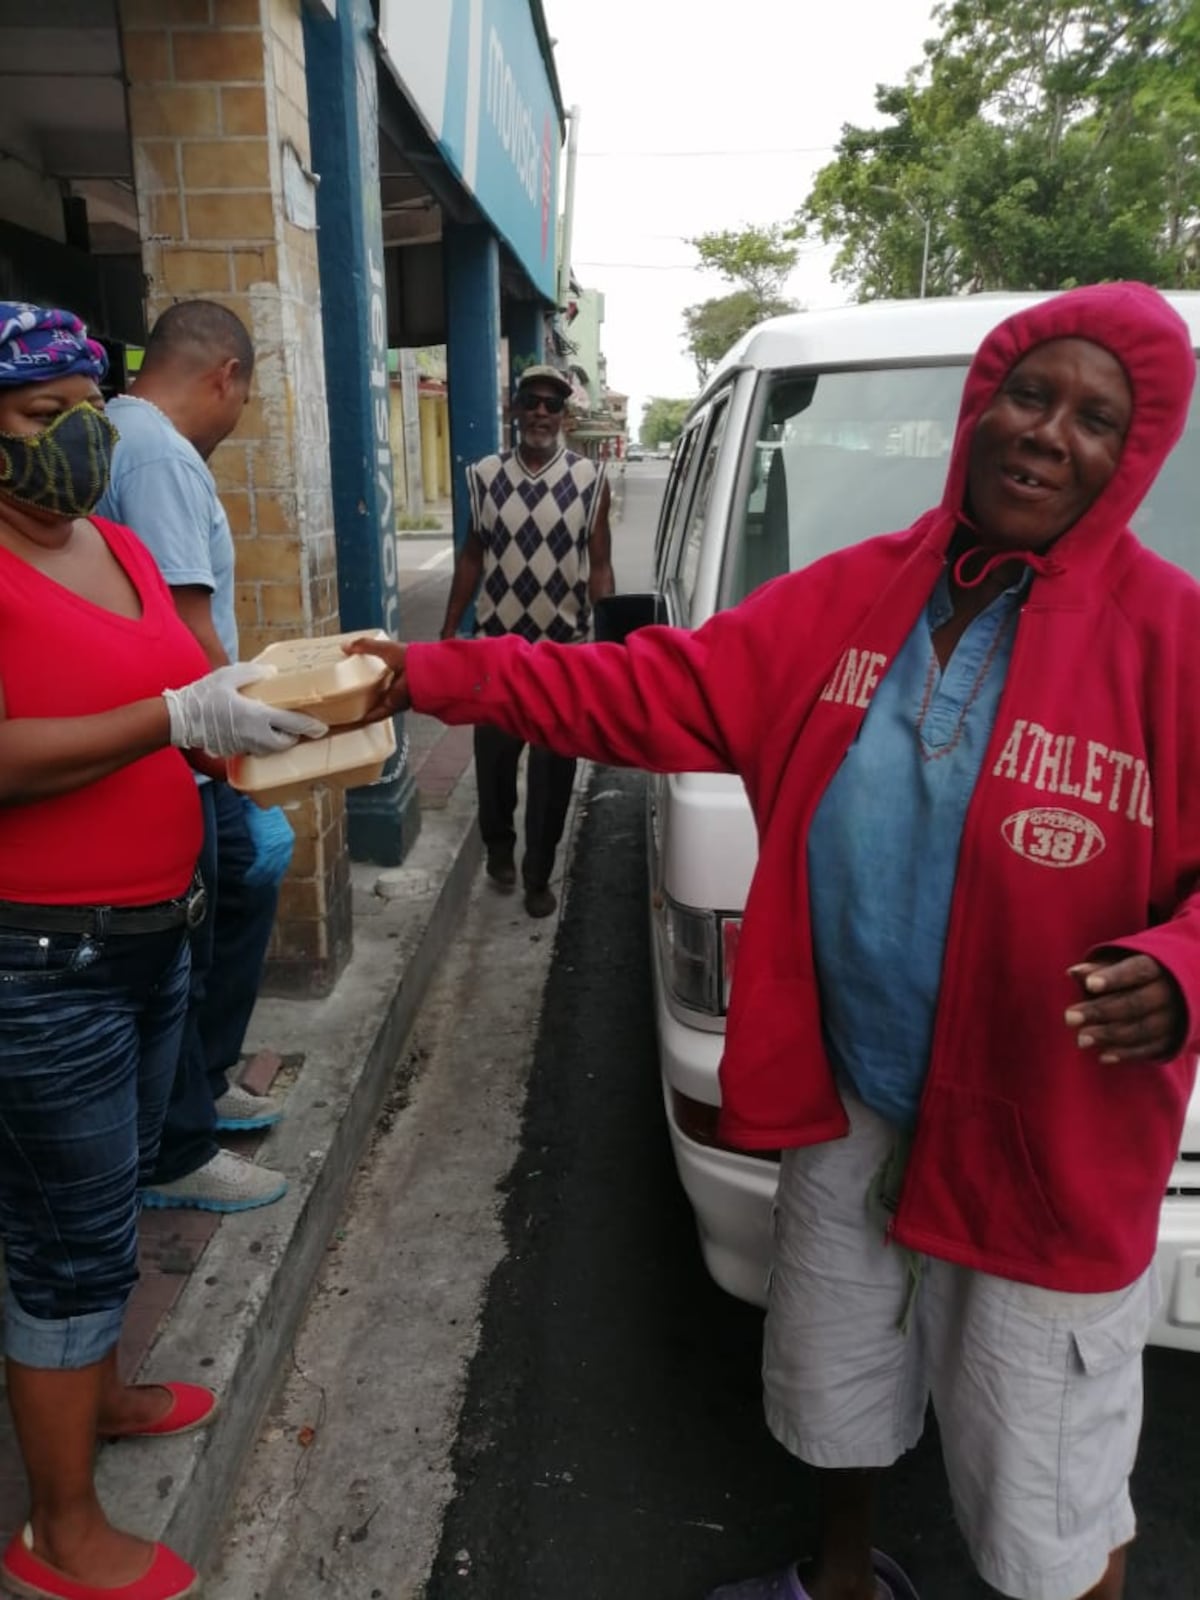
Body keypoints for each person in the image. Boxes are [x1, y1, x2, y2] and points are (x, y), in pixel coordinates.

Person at [347, 282, 1200, 1600]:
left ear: (1132, 453)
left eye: (1098, 418)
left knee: (1053, 1484)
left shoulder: (1173, 646)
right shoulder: (854, 599)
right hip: (850, 1094)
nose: (1050, 434)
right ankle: (843, 1580)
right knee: (837, 1380)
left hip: (1047, 1141)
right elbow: (650, 685)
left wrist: (1181, 971)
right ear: (982, 408)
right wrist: (431, 672)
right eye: (1032, 395)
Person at [0, 302, 324, 1599]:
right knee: (64, 1236)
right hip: (40, 966)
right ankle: (60, 1526)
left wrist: (274, 708)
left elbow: (188, 703)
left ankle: (108, 1395)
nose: (76, 435)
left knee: (124, 1187)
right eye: (39, 415)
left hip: (153, 943)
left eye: (88, 403)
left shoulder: (123, 546)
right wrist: (171, 712)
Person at [98, 300, 291, 1214]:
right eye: (244, 399)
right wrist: (237, 758)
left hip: (155, 740)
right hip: (179, 746)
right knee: (202, 925)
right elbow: (188, 629)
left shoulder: (114, 435)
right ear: (226, 375)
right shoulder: (162, 457)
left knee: (218, 907)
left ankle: (200, 1098)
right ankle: (179, 1147)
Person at [439, 363, 614, 917]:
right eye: (532, 401)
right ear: (514, 410)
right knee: (493, 762)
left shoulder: (591, 480)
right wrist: (450, 629)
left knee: (553, 768)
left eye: (552, 404)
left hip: (563, 652)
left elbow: (601, 565)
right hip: (495, 649)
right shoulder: (484, 475)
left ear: (566, 416)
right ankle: (499, 847)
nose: (541, 411)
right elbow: (472, 555)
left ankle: (539, 872)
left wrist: (606, 639)